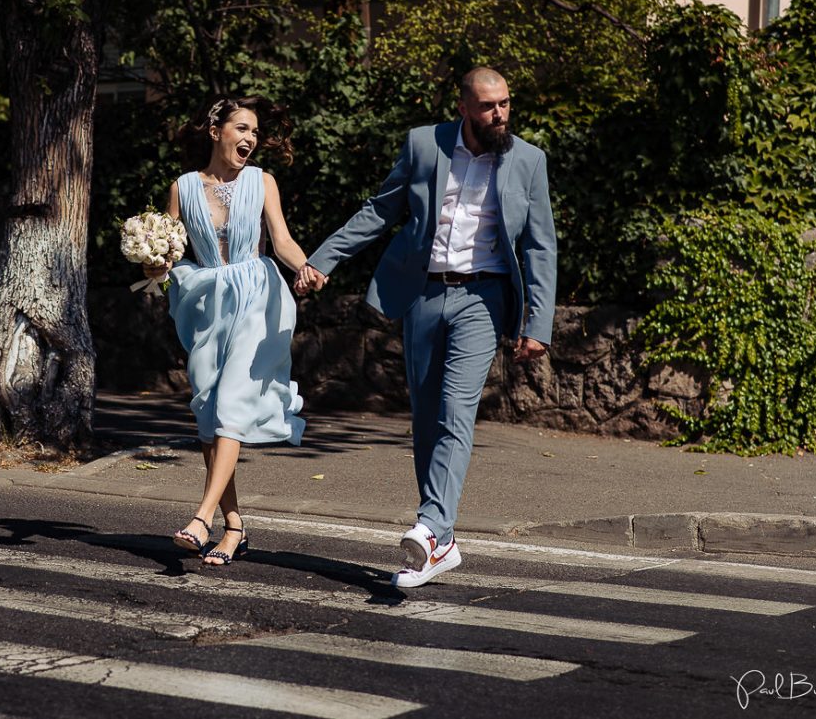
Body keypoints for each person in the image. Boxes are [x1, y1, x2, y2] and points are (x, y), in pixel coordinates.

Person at [295, 67, 556, 587]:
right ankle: (444, 539)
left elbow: (540, 245)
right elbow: (379, 210)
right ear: (463, 107)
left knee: (457, 410)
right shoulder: (423, 145)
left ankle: (431, 525)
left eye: (505, 103)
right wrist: (324, 259)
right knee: (427, 415)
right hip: (422, 294)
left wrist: (538, 323)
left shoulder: (528, 160)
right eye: (488, 106)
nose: (499, 114)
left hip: (484, 297)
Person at [142, 95, 307, 566]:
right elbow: (169, 254)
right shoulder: (183, 187)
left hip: (256, 296)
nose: (250, 138)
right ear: (216, 131)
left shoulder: (263, 182)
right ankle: (234, 528)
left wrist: (305, 267)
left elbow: (282, 240)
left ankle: (201, 517)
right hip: (204, 304)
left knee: (232, 402)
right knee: (210, 416)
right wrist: (153, 263)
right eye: (241, 128)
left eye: (254, 131)